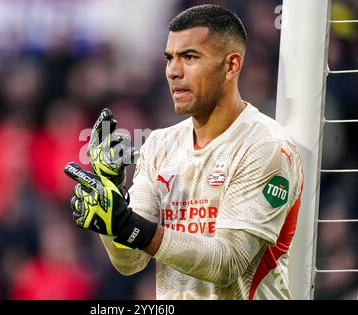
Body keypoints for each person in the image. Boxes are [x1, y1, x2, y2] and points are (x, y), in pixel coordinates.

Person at [64, 4, 303, 300]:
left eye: (189, 57)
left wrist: (128, 225)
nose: (173, 72)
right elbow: (131, 261)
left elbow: (228, 262)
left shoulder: (265, 147)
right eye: (169, 59)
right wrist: (111, 201)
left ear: (231, 65)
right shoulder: (158, 145)